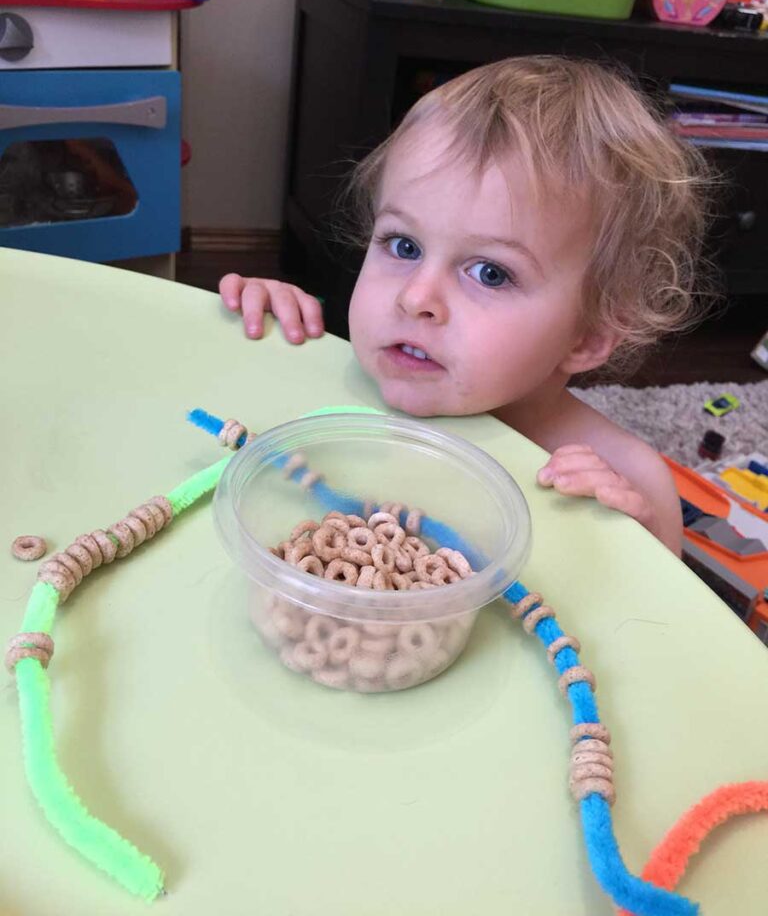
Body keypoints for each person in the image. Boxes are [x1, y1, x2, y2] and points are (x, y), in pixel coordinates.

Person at [219, 56, 714, 555]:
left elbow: (657, 622)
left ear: (588, 337)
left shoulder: (624, 477)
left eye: (490, 273)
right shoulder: (349, 375)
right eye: (403, 245)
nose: (415, 299)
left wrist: (634, 544)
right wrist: (274, 331)